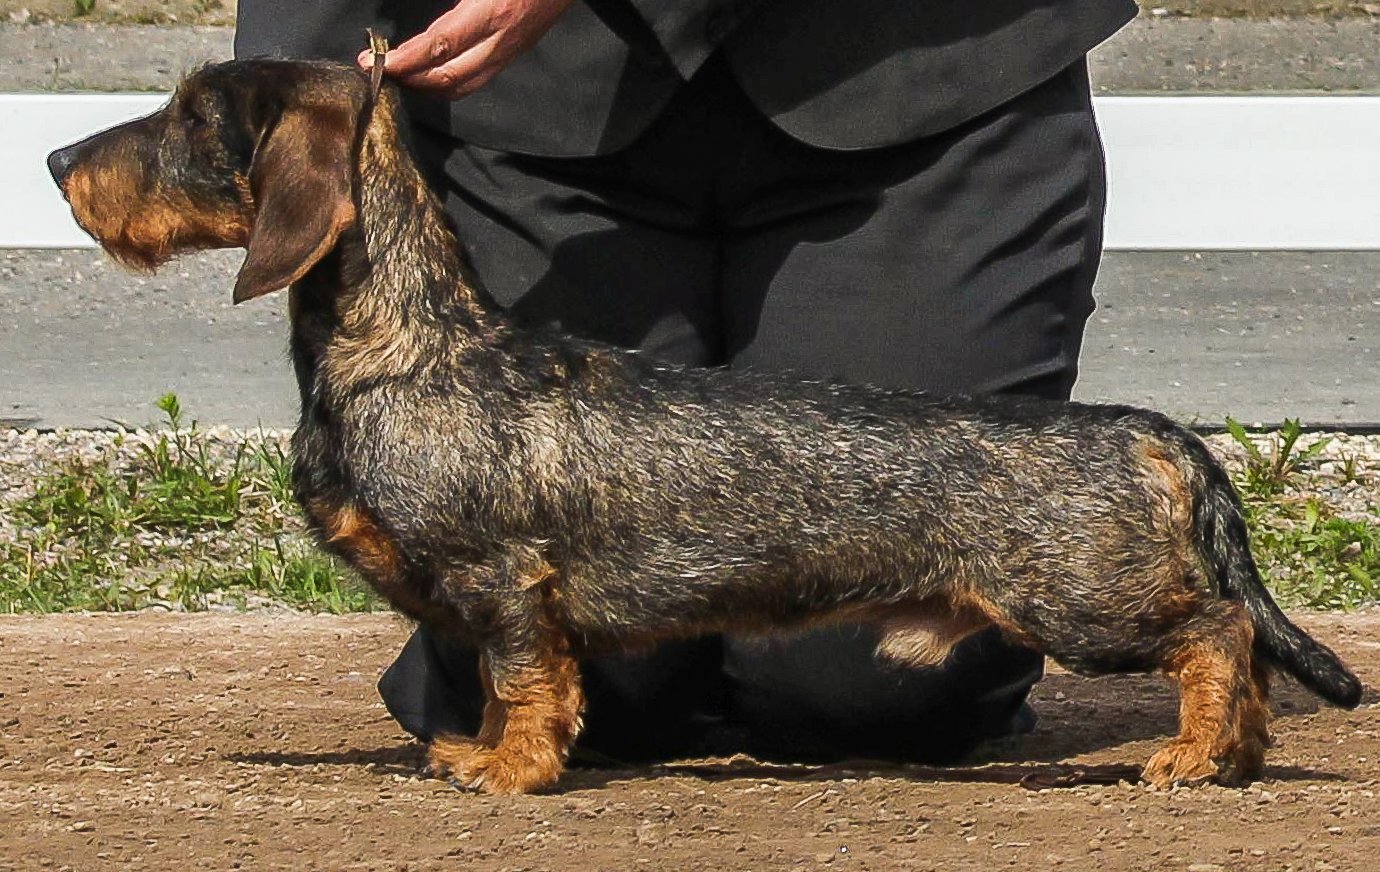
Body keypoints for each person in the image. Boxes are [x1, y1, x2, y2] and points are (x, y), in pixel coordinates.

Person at [235, 0, 1139, 765]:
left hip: (916, 67)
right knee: (598, 683)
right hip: (511, 99)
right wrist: (284, 105)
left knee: (879, 691)